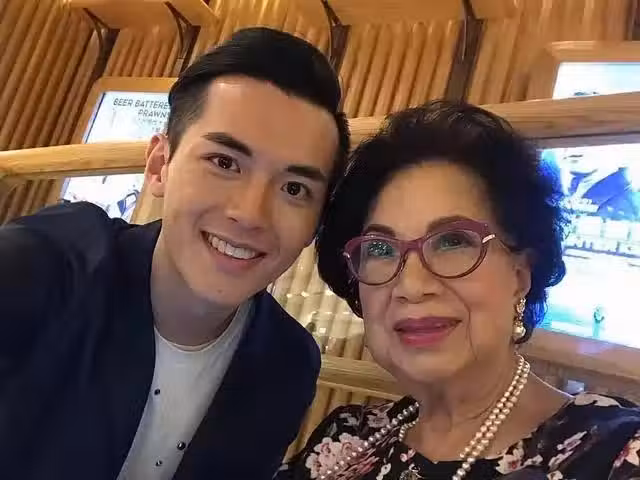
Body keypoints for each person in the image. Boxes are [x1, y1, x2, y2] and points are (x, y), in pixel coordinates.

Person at [0, 28, 349, 480]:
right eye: (224, 163)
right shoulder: (48, 266)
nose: (250, 214)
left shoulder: (289, 364)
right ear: (160, 164)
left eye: (295, 189)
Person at [277, 101, 640, 480]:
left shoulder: (613, 454)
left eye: (452, 241)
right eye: (381, 249)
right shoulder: (346, 440)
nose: (411, 286)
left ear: (520, 276)